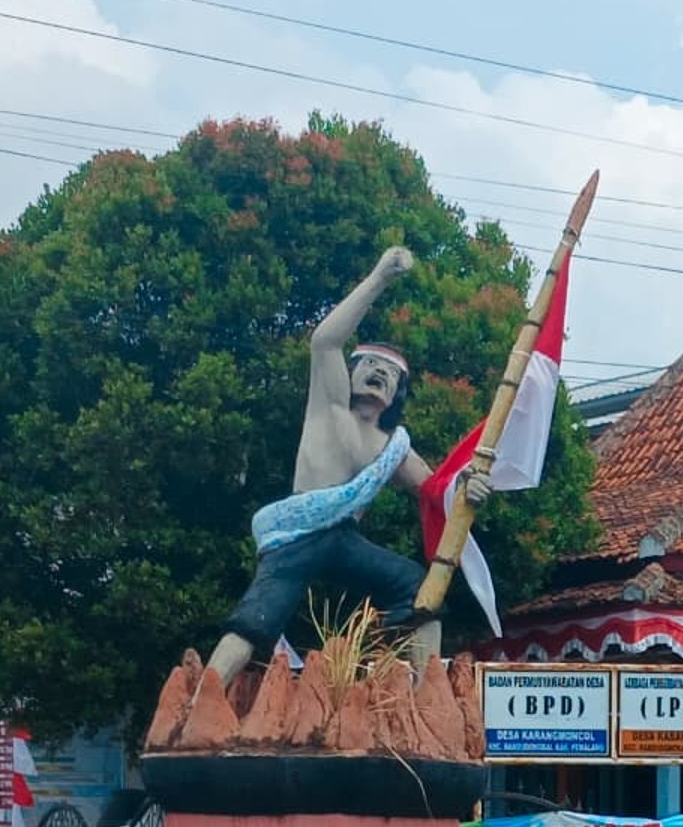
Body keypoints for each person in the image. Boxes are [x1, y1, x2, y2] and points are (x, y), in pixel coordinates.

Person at [206, 246, 491, 683]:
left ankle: (422, 694)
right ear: (350, 373)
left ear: (397, 395)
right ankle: (203, 696)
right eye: (371, 365)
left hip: (346, 541)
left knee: (418, 589)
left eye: (391, 374)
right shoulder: (330, 407)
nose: (380, 374)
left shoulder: (392, 447)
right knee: (257, 617)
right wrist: (379, 276)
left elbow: (438, 491)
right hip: (296, 534)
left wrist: (471, 487)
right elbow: (325, 340)